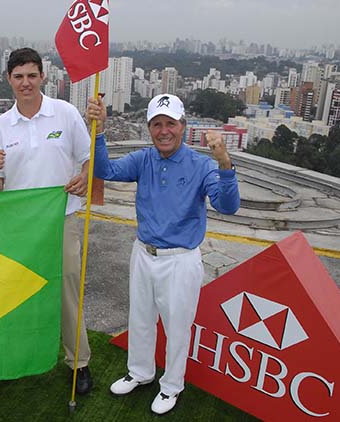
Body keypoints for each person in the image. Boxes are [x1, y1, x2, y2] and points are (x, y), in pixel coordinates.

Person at [86, 93, 240, 414]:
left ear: (183, 126)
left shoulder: (201, 165)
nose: (164, 130)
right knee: (140, 319)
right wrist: (99, 130)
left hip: (180, 259)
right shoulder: (144, 159)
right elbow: (106, 170)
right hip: (143, 252)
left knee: (176, 327)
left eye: (170, 123)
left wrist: (225, 162)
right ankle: (140, 372)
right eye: (157, 124)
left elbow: (228, 206)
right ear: (149, 128)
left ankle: (171, 386)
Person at [0, 47, 93, 395]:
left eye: (32, 75)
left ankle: (79, 362)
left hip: (61, 220)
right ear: (8, 81)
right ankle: (12, 358)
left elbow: (89, 159)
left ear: (43, 77)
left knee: (67, 294)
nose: (26, 83)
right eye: (18, 77)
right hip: (17, 226)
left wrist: (85, 178)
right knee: (13, 294)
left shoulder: (65, 113)